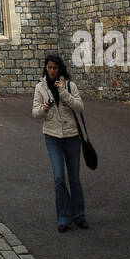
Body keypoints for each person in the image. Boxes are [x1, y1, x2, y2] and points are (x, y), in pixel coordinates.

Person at [33, 53, 87, 232]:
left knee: (74, 179)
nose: (52, 71)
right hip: (52, 137)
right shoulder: (40, 87)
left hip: (71, 137)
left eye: (55, 68)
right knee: (58, 178)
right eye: (49, 67)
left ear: (60, 69)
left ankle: (79, 215)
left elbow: (79, 107)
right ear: (45, 68)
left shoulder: (70, 85)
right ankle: (63, 217)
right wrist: (44, 108)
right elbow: (35, 112)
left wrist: (63, 92)